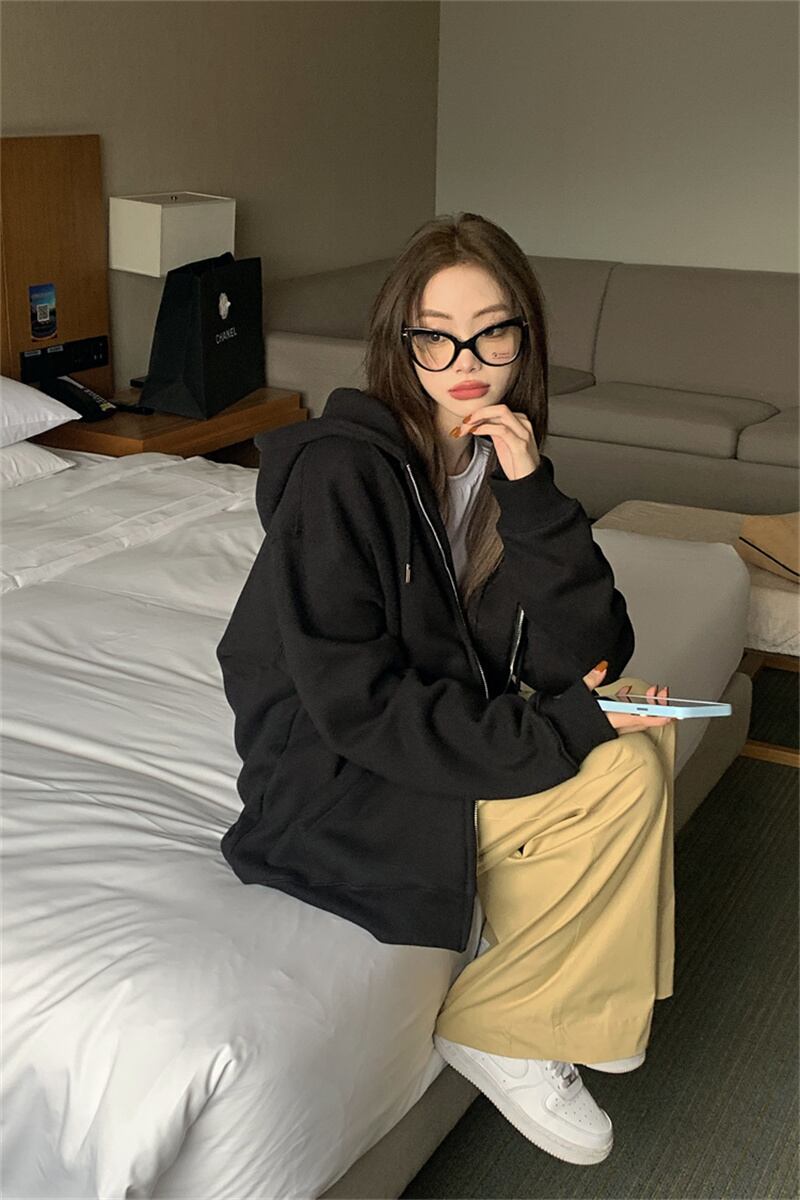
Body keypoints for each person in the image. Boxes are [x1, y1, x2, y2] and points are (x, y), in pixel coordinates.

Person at [216, 212, 678, 1167]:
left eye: (491, 333)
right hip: (333, 779)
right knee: (620, 767)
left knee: (645, 719)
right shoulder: (342, 476)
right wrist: (565, 729)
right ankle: (506, 1025)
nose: (466, 361)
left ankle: (532, 1003)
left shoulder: (492, 463)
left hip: (427, 735)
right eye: (438, 335)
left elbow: (586, 654)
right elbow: (357, 707)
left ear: (523, 340)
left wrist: (534, 493)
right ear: (404, 342)